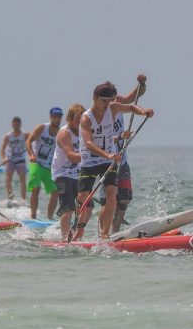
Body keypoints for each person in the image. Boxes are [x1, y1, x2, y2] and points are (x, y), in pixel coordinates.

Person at [75, 82, 154, 240]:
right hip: (90, 162)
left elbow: (131, 107)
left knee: (112, 194)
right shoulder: (86, 118)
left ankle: (105, 233)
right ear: (95, 98)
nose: (107, 104)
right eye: (104, 100)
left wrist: (144, 112)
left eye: (109, 100)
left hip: (108, 161)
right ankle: (79, 230)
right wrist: (108, 155)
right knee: (83, 197)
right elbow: (89, 144)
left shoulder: (112, 108)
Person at [104, 74, 148, 232]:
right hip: (106, 162)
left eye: (114, 98)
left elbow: (136, 96)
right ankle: (103, 232)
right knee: (109, 201)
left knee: (124, 199)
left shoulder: (119, 102)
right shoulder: (99, 113)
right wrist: (119, 137)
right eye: (109, 99)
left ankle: (115, 233)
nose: (112, 102)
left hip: (122, 160)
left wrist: (142, 83)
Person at [50, 104, 88, 240]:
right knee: (69, 208)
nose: (80, 123)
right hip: (62, 174)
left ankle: (76, 235)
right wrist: (95, 154)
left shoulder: (84, 131)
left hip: (77, 174)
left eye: (82, 120)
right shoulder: (64, 132)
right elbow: (71, 156)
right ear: (70, 119)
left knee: (87, 206)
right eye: (78, 120)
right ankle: (65, 238)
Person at [25, 108, 62, 219]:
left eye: (59, 117)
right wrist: (31, 154)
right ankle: (33, 216)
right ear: (51, 117)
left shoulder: (62, 133)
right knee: (36, 188)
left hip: (49, 167)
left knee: (56, 192)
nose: (57, 119)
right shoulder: (42, 128)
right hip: (37, 163)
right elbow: (28, 141)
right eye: (55, 117)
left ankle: (49, 218)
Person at [0, 117, 29, 201]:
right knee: (8, 179)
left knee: (22, 180)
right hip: (10, 160)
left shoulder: (25, 135)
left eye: (18, 124)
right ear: (12, 125)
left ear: (20, 124)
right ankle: (10, 196)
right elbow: (2, 148)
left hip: (21, 160)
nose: (16, 126)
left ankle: (23, 199)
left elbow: (34, 138)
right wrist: (3, 158)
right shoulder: (8, 136)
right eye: (14, 124)